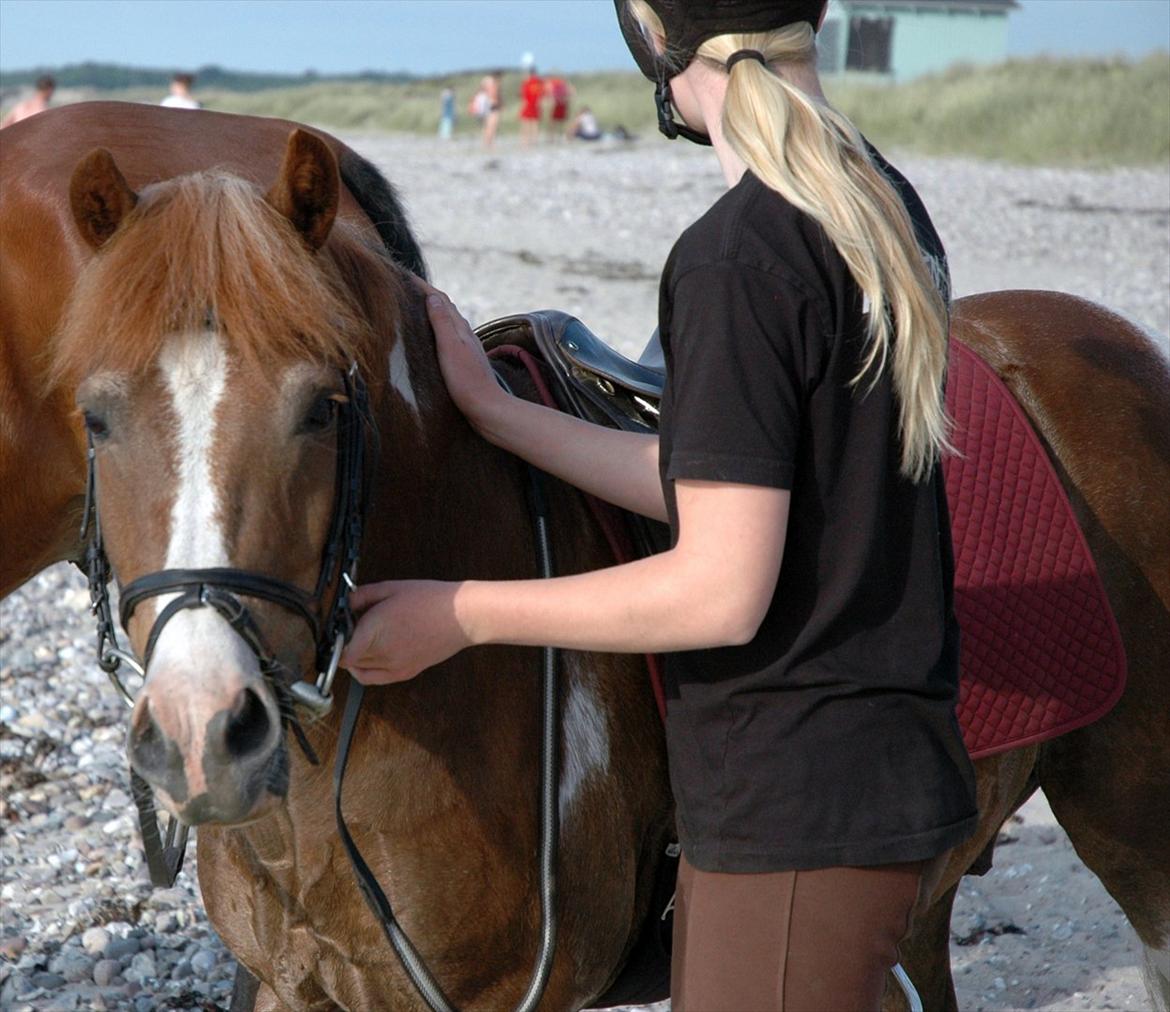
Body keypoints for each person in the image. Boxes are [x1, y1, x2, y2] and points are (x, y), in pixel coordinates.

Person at [343, 1, 977, 1009]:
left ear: (654, 34)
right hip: (882, 777)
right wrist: (503, 418)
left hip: (792, 807)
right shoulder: (878, 205)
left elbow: (719, 589)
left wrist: (457, 615)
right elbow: (743, 486)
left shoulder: (737, 258)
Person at [519, 64, 544, 146]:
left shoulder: (527, 82)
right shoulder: (539, 82)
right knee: (535, 123)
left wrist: (522, 107)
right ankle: (534, 141)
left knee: (526, 123)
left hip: (528, 105)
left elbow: (524, 96)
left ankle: (525, 141)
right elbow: (541, 94)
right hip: (536, 105)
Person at [546, 74, 573, 139]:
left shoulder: (559, 87)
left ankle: (553, 136)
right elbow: (570, 94)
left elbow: (551, 95)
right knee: (561, 121)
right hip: (561, 104)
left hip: (559, 104)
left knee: (555, 121)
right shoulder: (563, 86)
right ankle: (562, 135)